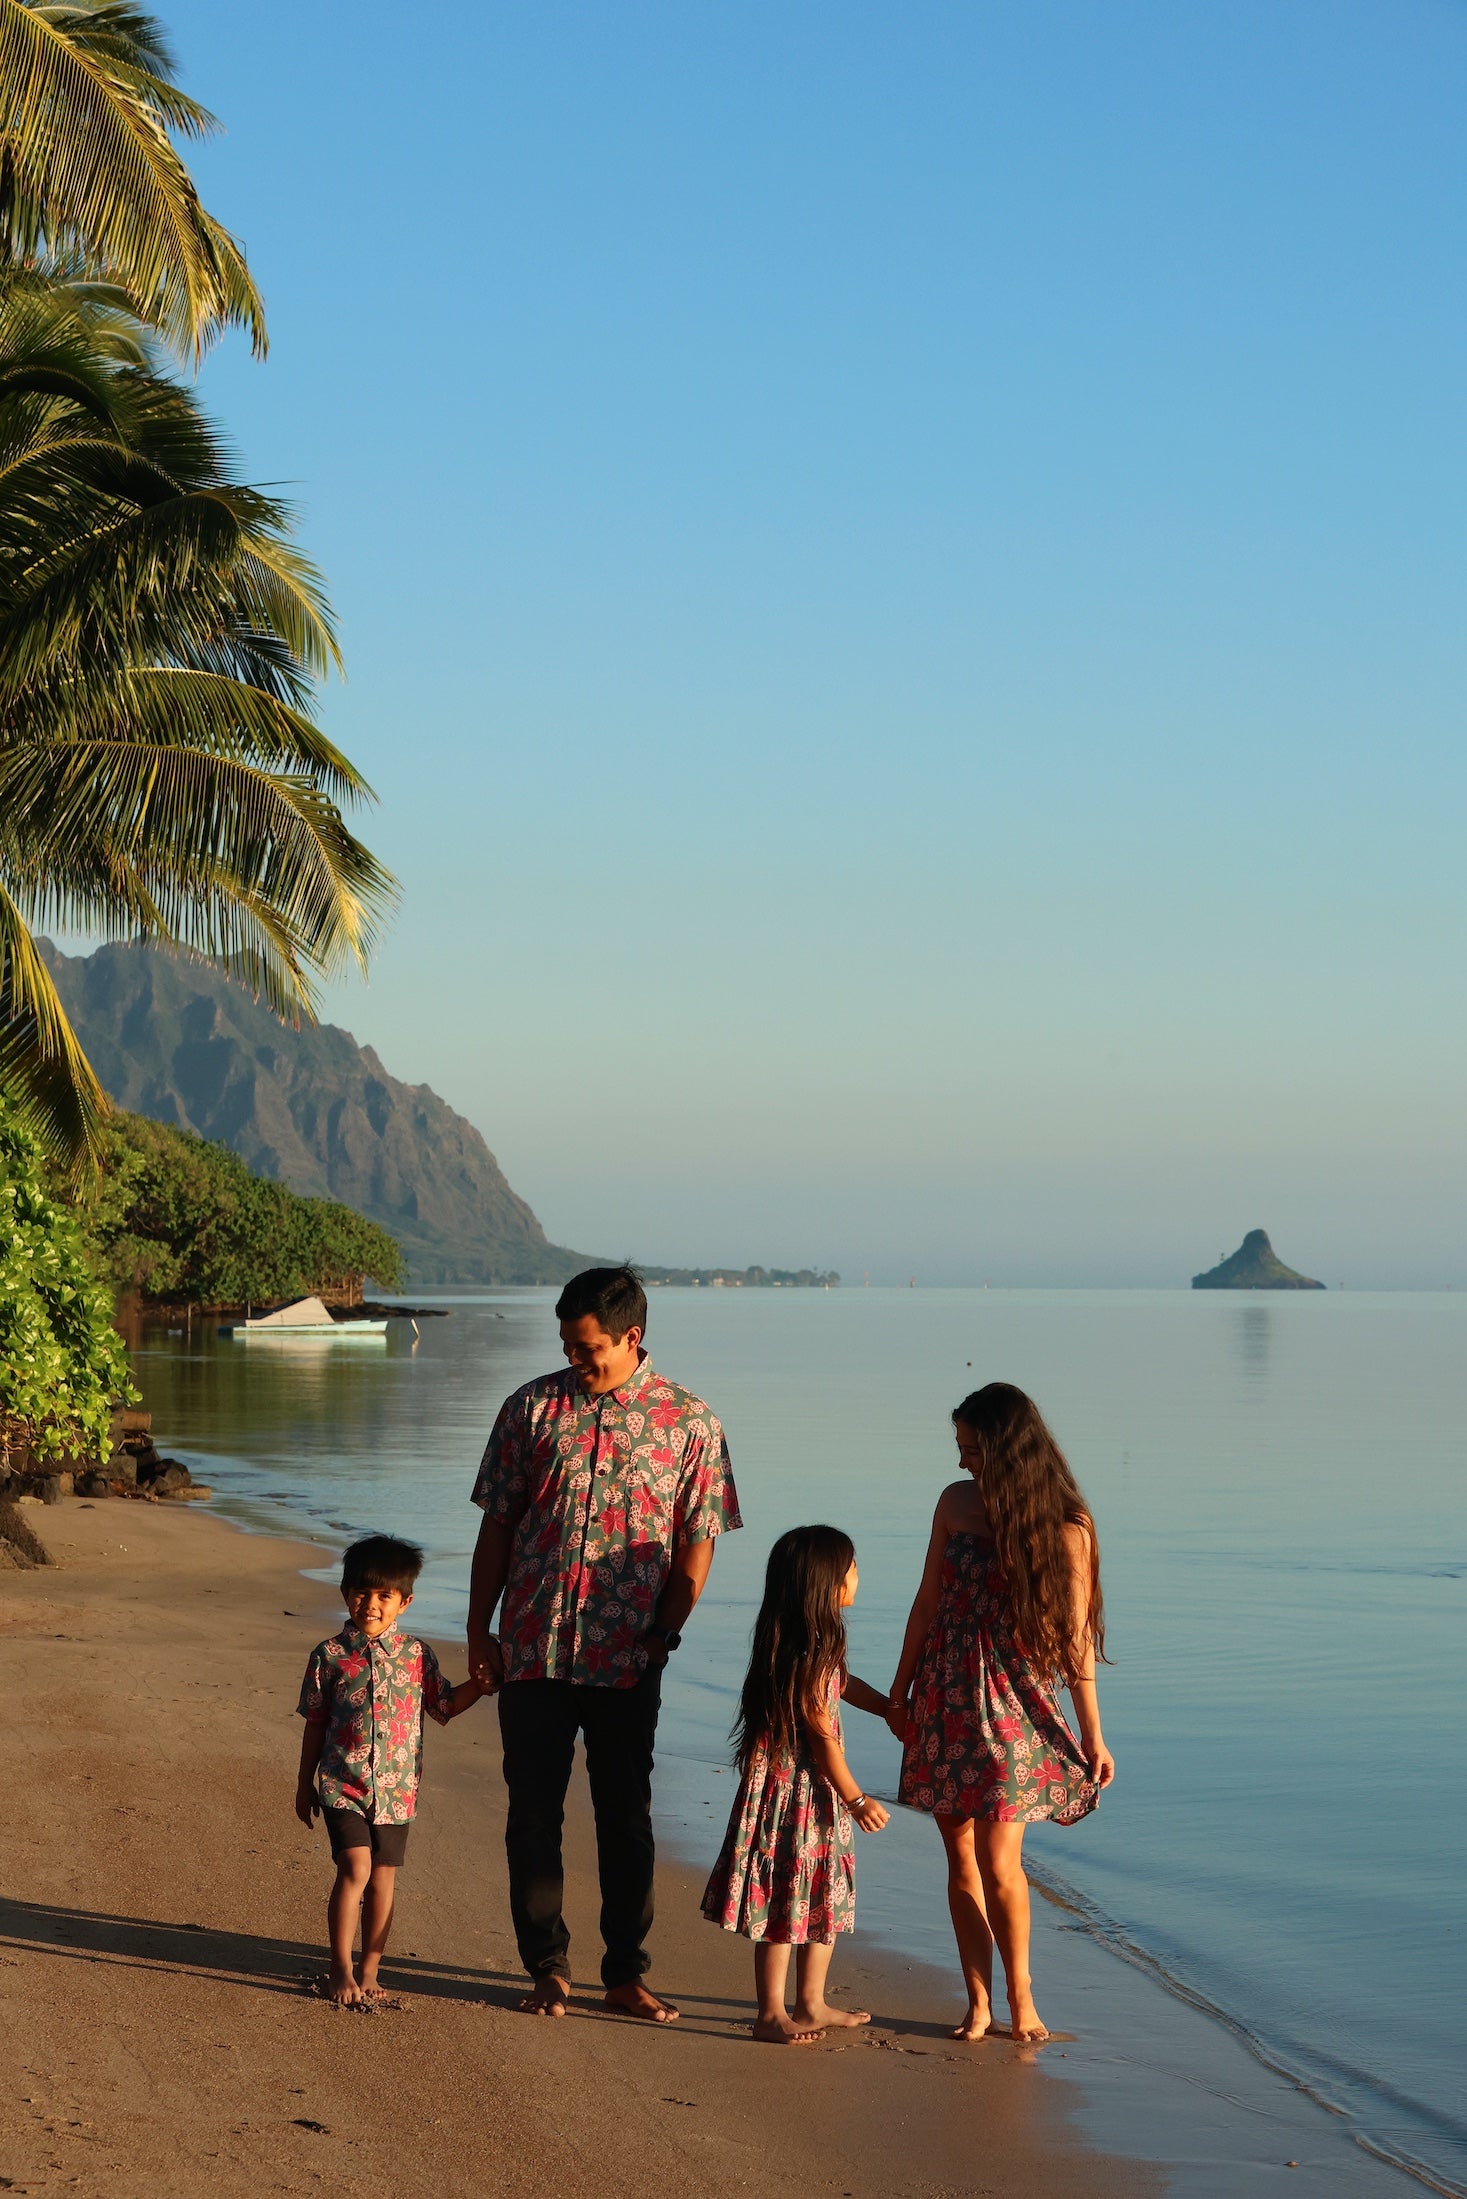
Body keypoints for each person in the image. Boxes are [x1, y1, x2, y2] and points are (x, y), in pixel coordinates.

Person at [467, 1264, 740, 2022]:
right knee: (532, 1813)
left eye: (587, 1347)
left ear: (631, 1336)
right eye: (566, 1344)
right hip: (532, 1645)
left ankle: (624, 1971)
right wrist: (478, 1628)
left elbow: (697, 1543)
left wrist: (664, 1634)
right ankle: (547, 1966)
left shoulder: (689, 1422)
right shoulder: (530, 1408)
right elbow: (497, 1526)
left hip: (628, 1655)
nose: (574, 1358)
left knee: (625, 1815)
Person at [889, 1384, 1115, 2043]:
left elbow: (1075, 1638)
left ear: (1007, 1448)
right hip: (946, 1690)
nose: (962, 1460)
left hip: (1015, 1701)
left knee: (998, 1857)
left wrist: (1093, 1732)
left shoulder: (1066, 1526)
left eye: (972, 1448)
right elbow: (927, 1600)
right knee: (959, 1853)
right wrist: (901, 1690)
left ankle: (1022, 1994)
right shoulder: (953, 1502)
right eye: (960, 1447)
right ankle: (978, 2002)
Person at [702, 1525, 891, 2044]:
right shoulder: (808, 1646)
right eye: (852, 1567)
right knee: (787, 1898)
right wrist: (856, 1798)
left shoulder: (804, 1638)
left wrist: (889, 1708)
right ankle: (770, 2012)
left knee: (821, 1893)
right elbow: (821, 1733)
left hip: (811, 1794)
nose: (858, 1576)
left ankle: (811, 2003)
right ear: (827, 1583)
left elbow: (842, 1683)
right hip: (797, 1794)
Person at [295, 1534, 483, 2005]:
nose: (371, 1604)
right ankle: (340, 1968)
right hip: (342, 1786)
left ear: (405, 1602)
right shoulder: (329, 1655)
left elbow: (444, 1706)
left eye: (384, 1595)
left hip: (397, 1791)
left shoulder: (417, 1656)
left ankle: (370, 1969)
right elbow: (315, 1723)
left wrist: (481, 1686)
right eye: (361, 1592)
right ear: (345, 1593)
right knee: (354, 1867)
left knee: (382, 1879)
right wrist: (303, 1784)